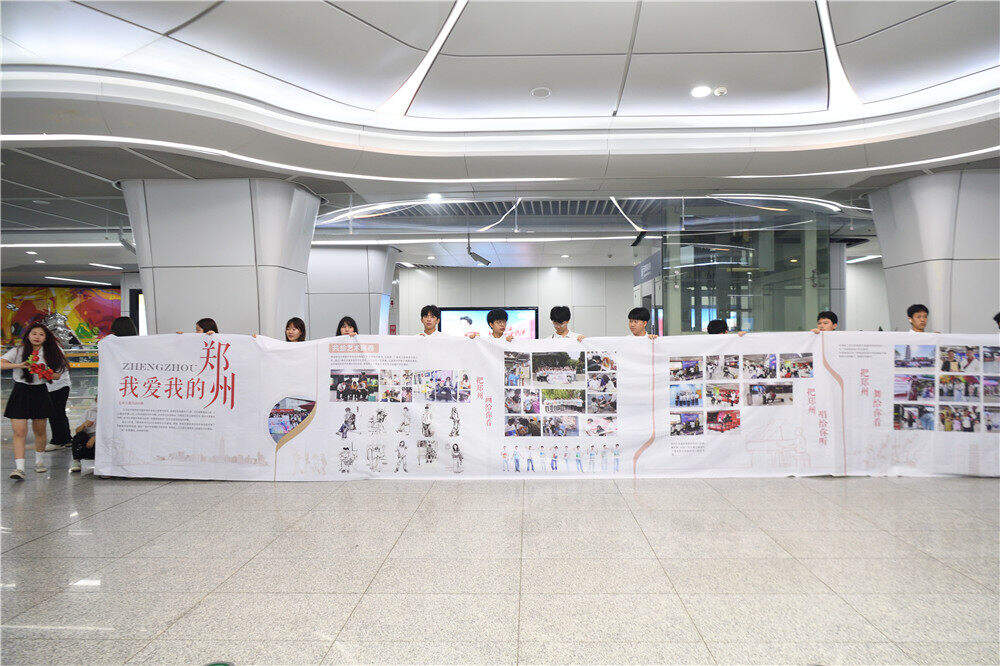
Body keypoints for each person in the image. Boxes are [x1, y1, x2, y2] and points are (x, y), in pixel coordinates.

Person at [2, 322, 67, 478]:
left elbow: (58, 374)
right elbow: (2, 363)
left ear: (46, 338)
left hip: (40, 392)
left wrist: (46, 373)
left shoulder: (51, 353)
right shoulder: (18, 351)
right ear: (28, 335)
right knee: (19, 432)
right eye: (34, 333)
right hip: (20, 391)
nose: (37, 337)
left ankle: (39, 462)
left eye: (41, 334)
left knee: (40, 430)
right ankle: (20, 469)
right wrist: (20, 365)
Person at [69, 397, 97, 473]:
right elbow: (77, 431)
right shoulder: (89, 412)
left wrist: (95, 437)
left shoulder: (110, 412)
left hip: (101, 438)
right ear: (96, 400)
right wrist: (84, 424)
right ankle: (77, 461)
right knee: (79, 435)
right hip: (88, 436)